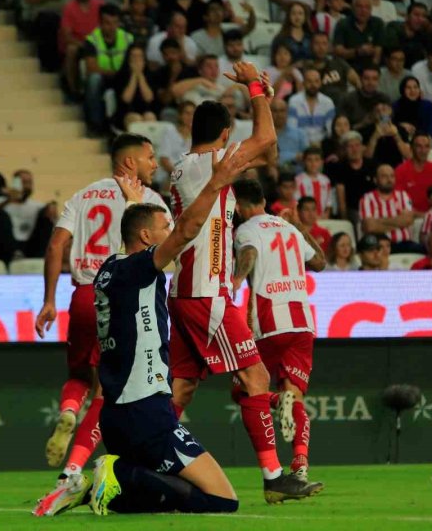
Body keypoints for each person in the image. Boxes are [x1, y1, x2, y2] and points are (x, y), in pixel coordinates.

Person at [50, 143, 259, 518]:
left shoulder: (109, 268)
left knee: (152, 499)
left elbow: (131, 236)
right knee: (222, 501)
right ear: (146, 238)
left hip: (115, 416)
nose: (171, 231)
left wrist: (134, 203)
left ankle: (95, 488)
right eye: (165, 227)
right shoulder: (139, 269)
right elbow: (189, 229)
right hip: (146, 411)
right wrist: (217, 182)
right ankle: (117, 473)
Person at [168, 63, 321, 502]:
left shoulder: (188, 166)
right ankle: (274, 477)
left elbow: (267, 156)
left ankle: (146, 458)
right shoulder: (210, 163)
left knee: (182, 388)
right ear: (224, 135)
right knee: (256, 374)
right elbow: (267, 141)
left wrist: (265, 102)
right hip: (205, 291)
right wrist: (255, 85)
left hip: (186, 290)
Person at [31, 134, 170, 516]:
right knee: (105, 392)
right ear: (130, 162)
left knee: (78, 374)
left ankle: (68, 410)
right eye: (149, 157)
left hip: (81, 296)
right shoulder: (150, 204)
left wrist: (48, 300)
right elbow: (166, 250)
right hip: (119, 299)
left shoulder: (83, 196)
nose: (154, 164)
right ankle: (72, 470)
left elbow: (55, 245)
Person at [232, 178, 327, 481]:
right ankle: (300, 464)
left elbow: (249, 252)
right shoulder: (289, 228)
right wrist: (299, 225)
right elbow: (320, 262)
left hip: (269, 321)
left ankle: (275, 402)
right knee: (295, 397)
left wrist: (238, 278)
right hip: (302, 323)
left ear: (239, 206)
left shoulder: (246, 229)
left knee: (243, 390)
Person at [82, 4, 135, 133]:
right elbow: (91, 68)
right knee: (94, 79)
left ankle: (123, 123)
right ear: (100, 23)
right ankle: (95, 124)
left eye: (115, 23)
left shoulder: (128, 38)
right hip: (103, 78)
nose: (112, 27)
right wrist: (112, 73)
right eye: (107, 23)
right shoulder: (92, 40)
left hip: (122, 76)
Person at [359, 164, 417, 252]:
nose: (389, 180)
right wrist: (400, 221)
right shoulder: (367, 198)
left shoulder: (403, 195)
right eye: (384, 176)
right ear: (375, 180)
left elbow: (408, 220)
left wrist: (377, 222)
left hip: (405, 243)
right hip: (379, 246)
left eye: (392, 176)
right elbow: (369, 227)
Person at [61, 0, 106, 97]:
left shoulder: (100, 5)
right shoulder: (69, 8)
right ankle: (73, 90)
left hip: (99, 42)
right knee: (71, 49)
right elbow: (67, 36)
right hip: (79, 44)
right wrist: (85, 45)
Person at [327, 130, 377, 221]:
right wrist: (345, 220)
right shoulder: (340, 168)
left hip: (374, 207)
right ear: (345, 150)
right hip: (353, 210)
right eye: (350, 146)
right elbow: (341, 197)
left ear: (362, 147)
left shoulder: (372, 165)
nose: (355, 149)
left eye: (357, 145)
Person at [393, 132, 432, 213]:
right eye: (419, 146)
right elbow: (398, 202)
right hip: (409, 216)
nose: (423, 151)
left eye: (426, 146)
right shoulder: (400, 170)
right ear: (411, 148)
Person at [111, 44, 158, 130]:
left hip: (145, 110)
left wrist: (140, 75)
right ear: (128, 58)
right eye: (134, 56)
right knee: (136, 119)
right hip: (125, 113)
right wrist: (134, 75)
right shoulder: (121, 75)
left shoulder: (150, 75)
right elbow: (126, 99)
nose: (137, 59)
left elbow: (149, 98)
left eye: (140, 56)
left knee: (150, 117)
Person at [332, 0, 384, 70]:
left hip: (371, 69)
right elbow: (338, 52)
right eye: (359, 7)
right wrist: (357, 51)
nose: (363, 10)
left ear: (371, 10)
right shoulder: (343, 24)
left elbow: (378, 53)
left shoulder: (378, 23)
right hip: (348, 68)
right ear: (352, 8)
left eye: (367, 7)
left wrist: (372, 70)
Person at [287, 67, 336, 147]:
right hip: (299, 145)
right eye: (309, 81)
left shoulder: (328, 102)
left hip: (322, 146)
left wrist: (321, 144)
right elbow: (292, 129)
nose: (313, 85)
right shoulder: (294, 101)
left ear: (320, 83)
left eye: (316, 81)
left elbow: (330, 131)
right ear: (303, 83)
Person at [310, 32, 357, 108]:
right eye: (317, 44)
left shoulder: (339, 63)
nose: (321, 48)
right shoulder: (306, 67)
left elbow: (357, 82)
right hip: (319, 109)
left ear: (329, 46)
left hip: (342, 108)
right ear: (311, 46)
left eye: (324, 44)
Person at [362, 100, 412, 167]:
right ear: (373, 114)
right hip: (374, 168)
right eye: (377, 111)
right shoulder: (366, 131)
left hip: (396, 168)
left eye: (384, 109)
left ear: (390, 110)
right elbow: (366, 158)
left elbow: (408, 156)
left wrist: (396, 136)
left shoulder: (400, 129)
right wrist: (374, 137)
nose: (381, 113)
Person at [156, 101, 194, 188]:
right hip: (169, 174)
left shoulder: (198, 135)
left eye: (193, 113)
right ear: (180, 115)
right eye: (187, 113)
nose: (191, 117)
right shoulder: (170, 131)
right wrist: (179, 176)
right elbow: (164, 160)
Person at [381, 2, 429, 70]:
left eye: (424, 16)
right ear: (407, 16)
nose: (420, 19)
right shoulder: (393, 27)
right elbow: (394, 52)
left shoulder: (422, 34)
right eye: (416, 15)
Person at [340, 64, 389, 130]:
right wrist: (363, 123)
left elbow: (387, 124)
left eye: (375, 79)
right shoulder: (348, 99)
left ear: (379, 80)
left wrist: (383, 118)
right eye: (366, 78)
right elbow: (342, 129)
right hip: (355, 133)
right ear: (360, 79)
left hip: (380, 132)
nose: (371, 83)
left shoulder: (384, 99)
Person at [294, 147, 333, 218]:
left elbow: (329, 202)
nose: (313, 163)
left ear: (321, 162)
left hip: (323, 218)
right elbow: (296, 203)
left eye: (317, 160)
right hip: (304, 219)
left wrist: (326, 214)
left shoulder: (326, 180)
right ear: (304, 162)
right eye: (309, 160)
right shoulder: (298, 180)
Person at [273, 98, 309, 170]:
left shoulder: (299, 133)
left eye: (282, 111)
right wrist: (294, 156)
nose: (279, 114)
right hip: (271, 172)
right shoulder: (264, 135)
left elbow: (307, 157)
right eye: (275, 111)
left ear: (287, 113)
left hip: (296, 174)